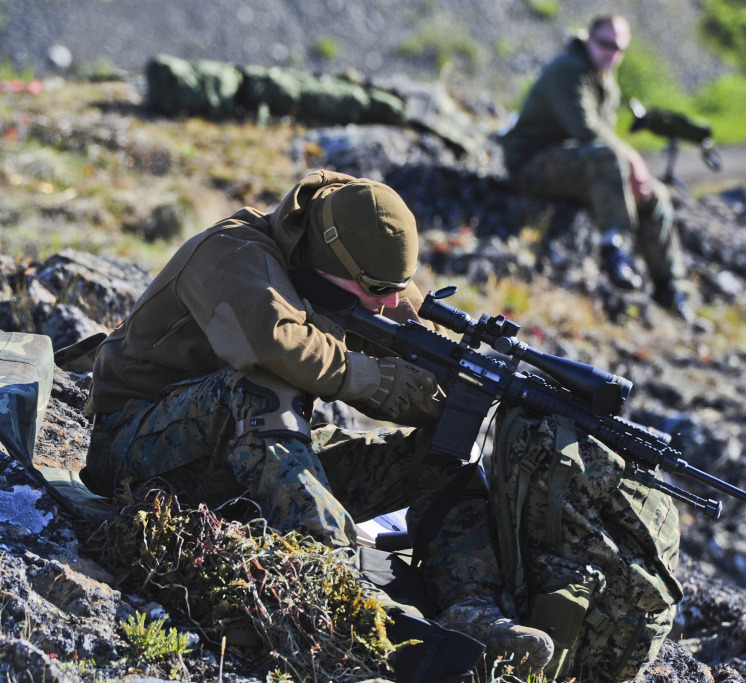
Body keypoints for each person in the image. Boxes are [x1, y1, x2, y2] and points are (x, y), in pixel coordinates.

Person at [80, 170, 555, 673]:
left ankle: (472, 609)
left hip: (254, 449)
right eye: (377, 289)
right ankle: (342, 585)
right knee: (262, 385)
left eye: (398, 287)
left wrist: (461, 393)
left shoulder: (364, 269)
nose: (390, 301)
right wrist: (374, 378)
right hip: (135, 449)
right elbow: (275, 345)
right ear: (328, 257)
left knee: (446, 456)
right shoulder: (230, 253)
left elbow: (420, 356)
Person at [499, 13, 694, 318]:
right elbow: (586, 131)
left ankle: (668, 286)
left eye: (619, 49)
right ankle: (613, 248)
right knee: (609, 157)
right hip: (532, 166)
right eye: (605, 44)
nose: (612, 54)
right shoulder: (567, 70)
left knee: (654, 194)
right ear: (589, 38)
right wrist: (632, 159)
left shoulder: (604, 79)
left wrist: (631, 176)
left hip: (575, 166)